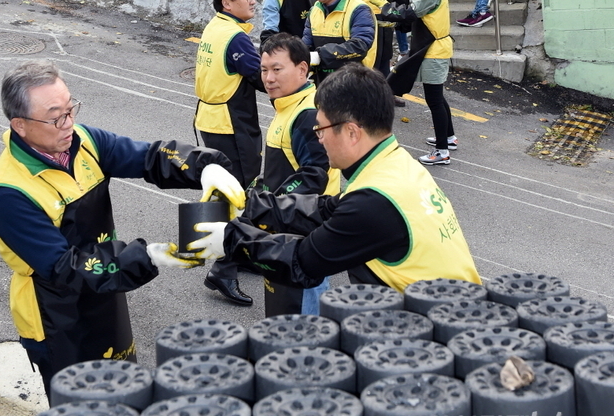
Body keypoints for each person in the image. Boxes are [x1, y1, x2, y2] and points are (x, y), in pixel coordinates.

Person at [0, 60, 246, 397]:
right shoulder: (8, 195)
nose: (69, 123)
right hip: (57, 316)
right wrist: (149, 256)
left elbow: (147, 157)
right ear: (21, 125)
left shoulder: (85, 142)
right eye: (56, 116)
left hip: (107, 287)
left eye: (71, 108)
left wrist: (204, 168)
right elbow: (65, 267)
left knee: (124, 388)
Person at [188, 65, 481, 293]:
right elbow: (327, 210)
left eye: (321, 130)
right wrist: (247, 203)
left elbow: (302, 262)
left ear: (352, 132)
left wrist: (231, 241)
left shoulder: (374, 202)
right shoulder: (397, 166)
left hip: (440, 338)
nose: (319, 139)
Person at [258, 33, 340, 315]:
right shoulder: (288, 104)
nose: (268, 78)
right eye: (264, 70)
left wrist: (271, 203)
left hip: (304, 228)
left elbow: (314, 175)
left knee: (305, 305)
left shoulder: (307, 114)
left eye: (277, 69)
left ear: (302, 69)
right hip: (287, 223)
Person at [195, 0, 264, 305]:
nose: (252, 1)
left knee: (219, 192)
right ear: (227, 3)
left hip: (209, 119)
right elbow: (262, 76)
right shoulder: (235, 38)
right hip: (230, 124)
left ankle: (235, 253)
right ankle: (222, 270)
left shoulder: (215, 27)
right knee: (241, 195)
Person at [386, 0, 456, 166]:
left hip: (434, 49)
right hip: (434, 47)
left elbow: (410, 12)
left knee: (434, 99)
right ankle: (449, 138)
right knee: (438, 97)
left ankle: (442, 152)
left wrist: (384, 10)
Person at [302, 0, 377, 83]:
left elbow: (360, 46)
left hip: (354, 86)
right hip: (322, 86)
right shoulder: (315, 11)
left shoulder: (359, 10)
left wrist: (320, 55)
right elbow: (306, 45)